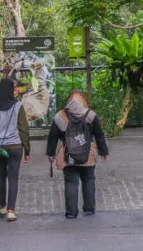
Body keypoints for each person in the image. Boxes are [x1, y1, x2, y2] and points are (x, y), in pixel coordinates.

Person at [46, 89, 109, 218]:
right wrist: (104, 151)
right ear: (83, 101)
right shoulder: (91, 115)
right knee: (89, 179)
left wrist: (51, 154)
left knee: (70, 182)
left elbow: (52, 137)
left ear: (69, 101)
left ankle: (71, 212)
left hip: (68, 155)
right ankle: (89, 209)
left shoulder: (60, 117)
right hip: (88, 154)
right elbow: (99, 135)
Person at [0, 77, 30, 222]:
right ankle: (11, 211)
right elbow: (23, 129)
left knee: (1, 176)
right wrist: (27, 149)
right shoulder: (18, 107)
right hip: (16, 147)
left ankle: (2, 206)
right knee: (13, 178)